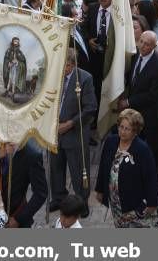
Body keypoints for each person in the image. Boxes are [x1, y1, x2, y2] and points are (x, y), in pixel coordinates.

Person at [95, 109, 158, 228]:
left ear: (135, 131)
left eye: (127, 129)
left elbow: (150, 178)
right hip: (117, 204)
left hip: (137, 205)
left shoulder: (142, 149)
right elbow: (103, 167)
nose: (122, 131)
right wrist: (100, 190)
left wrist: (153, 203)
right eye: (121, 127)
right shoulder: (110, 142)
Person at [116, 31, 158, 178]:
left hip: (150, 114)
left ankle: (155, 179)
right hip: (133, 113)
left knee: (152, 148)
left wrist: (128, 102)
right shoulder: (134, 57)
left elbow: (152, 95)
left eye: (147, 44)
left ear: (154, 46)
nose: (143, 46)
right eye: (141, 42)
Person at [51, 49, 96, 216]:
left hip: (74, 133)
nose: (63, 68)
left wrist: (70, 124)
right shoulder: (53, 76)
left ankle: (81, 202)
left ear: (73, 64)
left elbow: (90, 108)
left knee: (78, 170)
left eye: (67, 65)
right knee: (55, 168)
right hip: (55, 133)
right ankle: (58, 198)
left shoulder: (85, 79)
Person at [0, 137, 48, 228]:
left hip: (15, 213)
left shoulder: (32, 155)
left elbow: (41, 193)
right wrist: (0, 153)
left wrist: (19, 219)